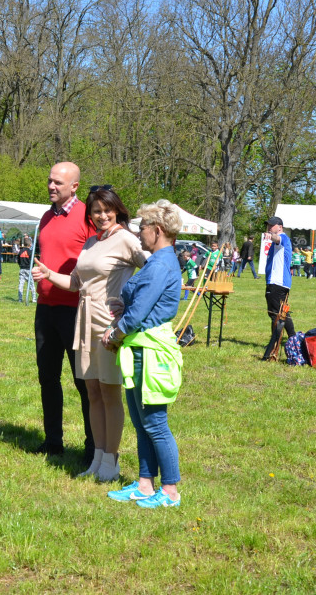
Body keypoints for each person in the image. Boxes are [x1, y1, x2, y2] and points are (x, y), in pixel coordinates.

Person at [32, 187, 147, 481]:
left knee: (110, 393)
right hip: (82, 321)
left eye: (107, 210)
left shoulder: (126, 240)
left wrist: (129, 306)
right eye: (96, 211)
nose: (102, 215)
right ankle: (97, 458)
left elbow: (151, 271)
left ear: (118, 211)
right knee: (92, 392)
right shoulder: (92, 241)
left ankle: (112, 460)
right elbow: (74, 283)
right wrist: (47, 274)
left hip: (108, 324)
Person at [103, 199, 184, 508]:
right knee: (141, 423)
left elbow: (138, 315)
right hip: (139, 349)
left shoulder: (161, 264)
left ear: (157, 230)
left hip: (150, 352)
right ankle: (146, 485)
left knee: (155, 424)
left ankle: (171, 491)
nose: (138, 234)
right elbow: (137, 306)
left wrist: (114, 333)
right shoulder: (156, 262)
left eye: (142, 228)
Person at [32, 162, 95, 460]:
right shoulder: (46, 216)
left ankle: (93, 445)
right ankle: (52, 440)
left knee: (83, 382)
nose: (51, 186)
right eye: (50, 181)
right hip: (45, 310)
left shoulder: (88, 216)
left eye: (58, 182)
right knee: (48, 378)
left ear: (74, 187)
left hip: (76, 311)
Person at [261, 217, 296, 361]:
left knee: (278, 316)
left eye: (272, 225)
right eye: (268, 225)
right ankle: (291, 340)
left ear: (280, 227)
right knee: (278, 315)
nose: (269, 227)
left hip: (278, 283)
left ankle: (290, 340)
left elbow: (277, 239)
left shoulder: (283, 238)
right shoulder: (278, 239)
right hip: (274, 283)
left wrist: (272, 236)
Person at [17, 237, 37, 304]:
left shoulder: (20, 251)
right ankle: (34, 299)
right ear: (30, 244)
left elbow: (18, 260)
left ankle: (20, 299)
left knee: (21, 284)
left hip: (22, 269)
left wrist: (20, 265)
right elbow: (32, 261)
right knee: (31, 284)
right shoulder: (30, 252)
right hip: (28, 269)